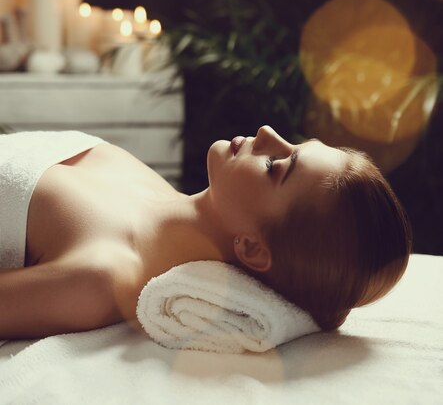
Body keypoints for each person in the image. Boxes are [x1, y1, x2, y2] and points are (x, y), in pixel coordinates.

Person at [0, 125, 412, 340]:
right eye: (295, 143)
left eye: (276, 167)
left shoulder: (102, 277)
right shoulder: (153, 189)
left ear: (252, 248)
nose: (267, 134)